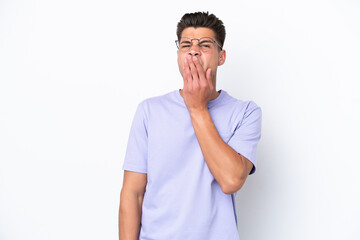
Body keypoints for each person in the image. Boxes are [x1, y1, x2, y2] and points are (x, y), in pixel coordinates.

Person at [118, 11, 262, 240]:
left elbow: (232, 180)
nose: (194, 50)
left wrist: (197, 108)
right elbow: (132, 194)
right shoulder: (149, 111)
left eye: (205, 45)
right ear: (178, 54)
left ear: (221, 56)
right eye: (186, 45)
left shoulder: (245, 112)